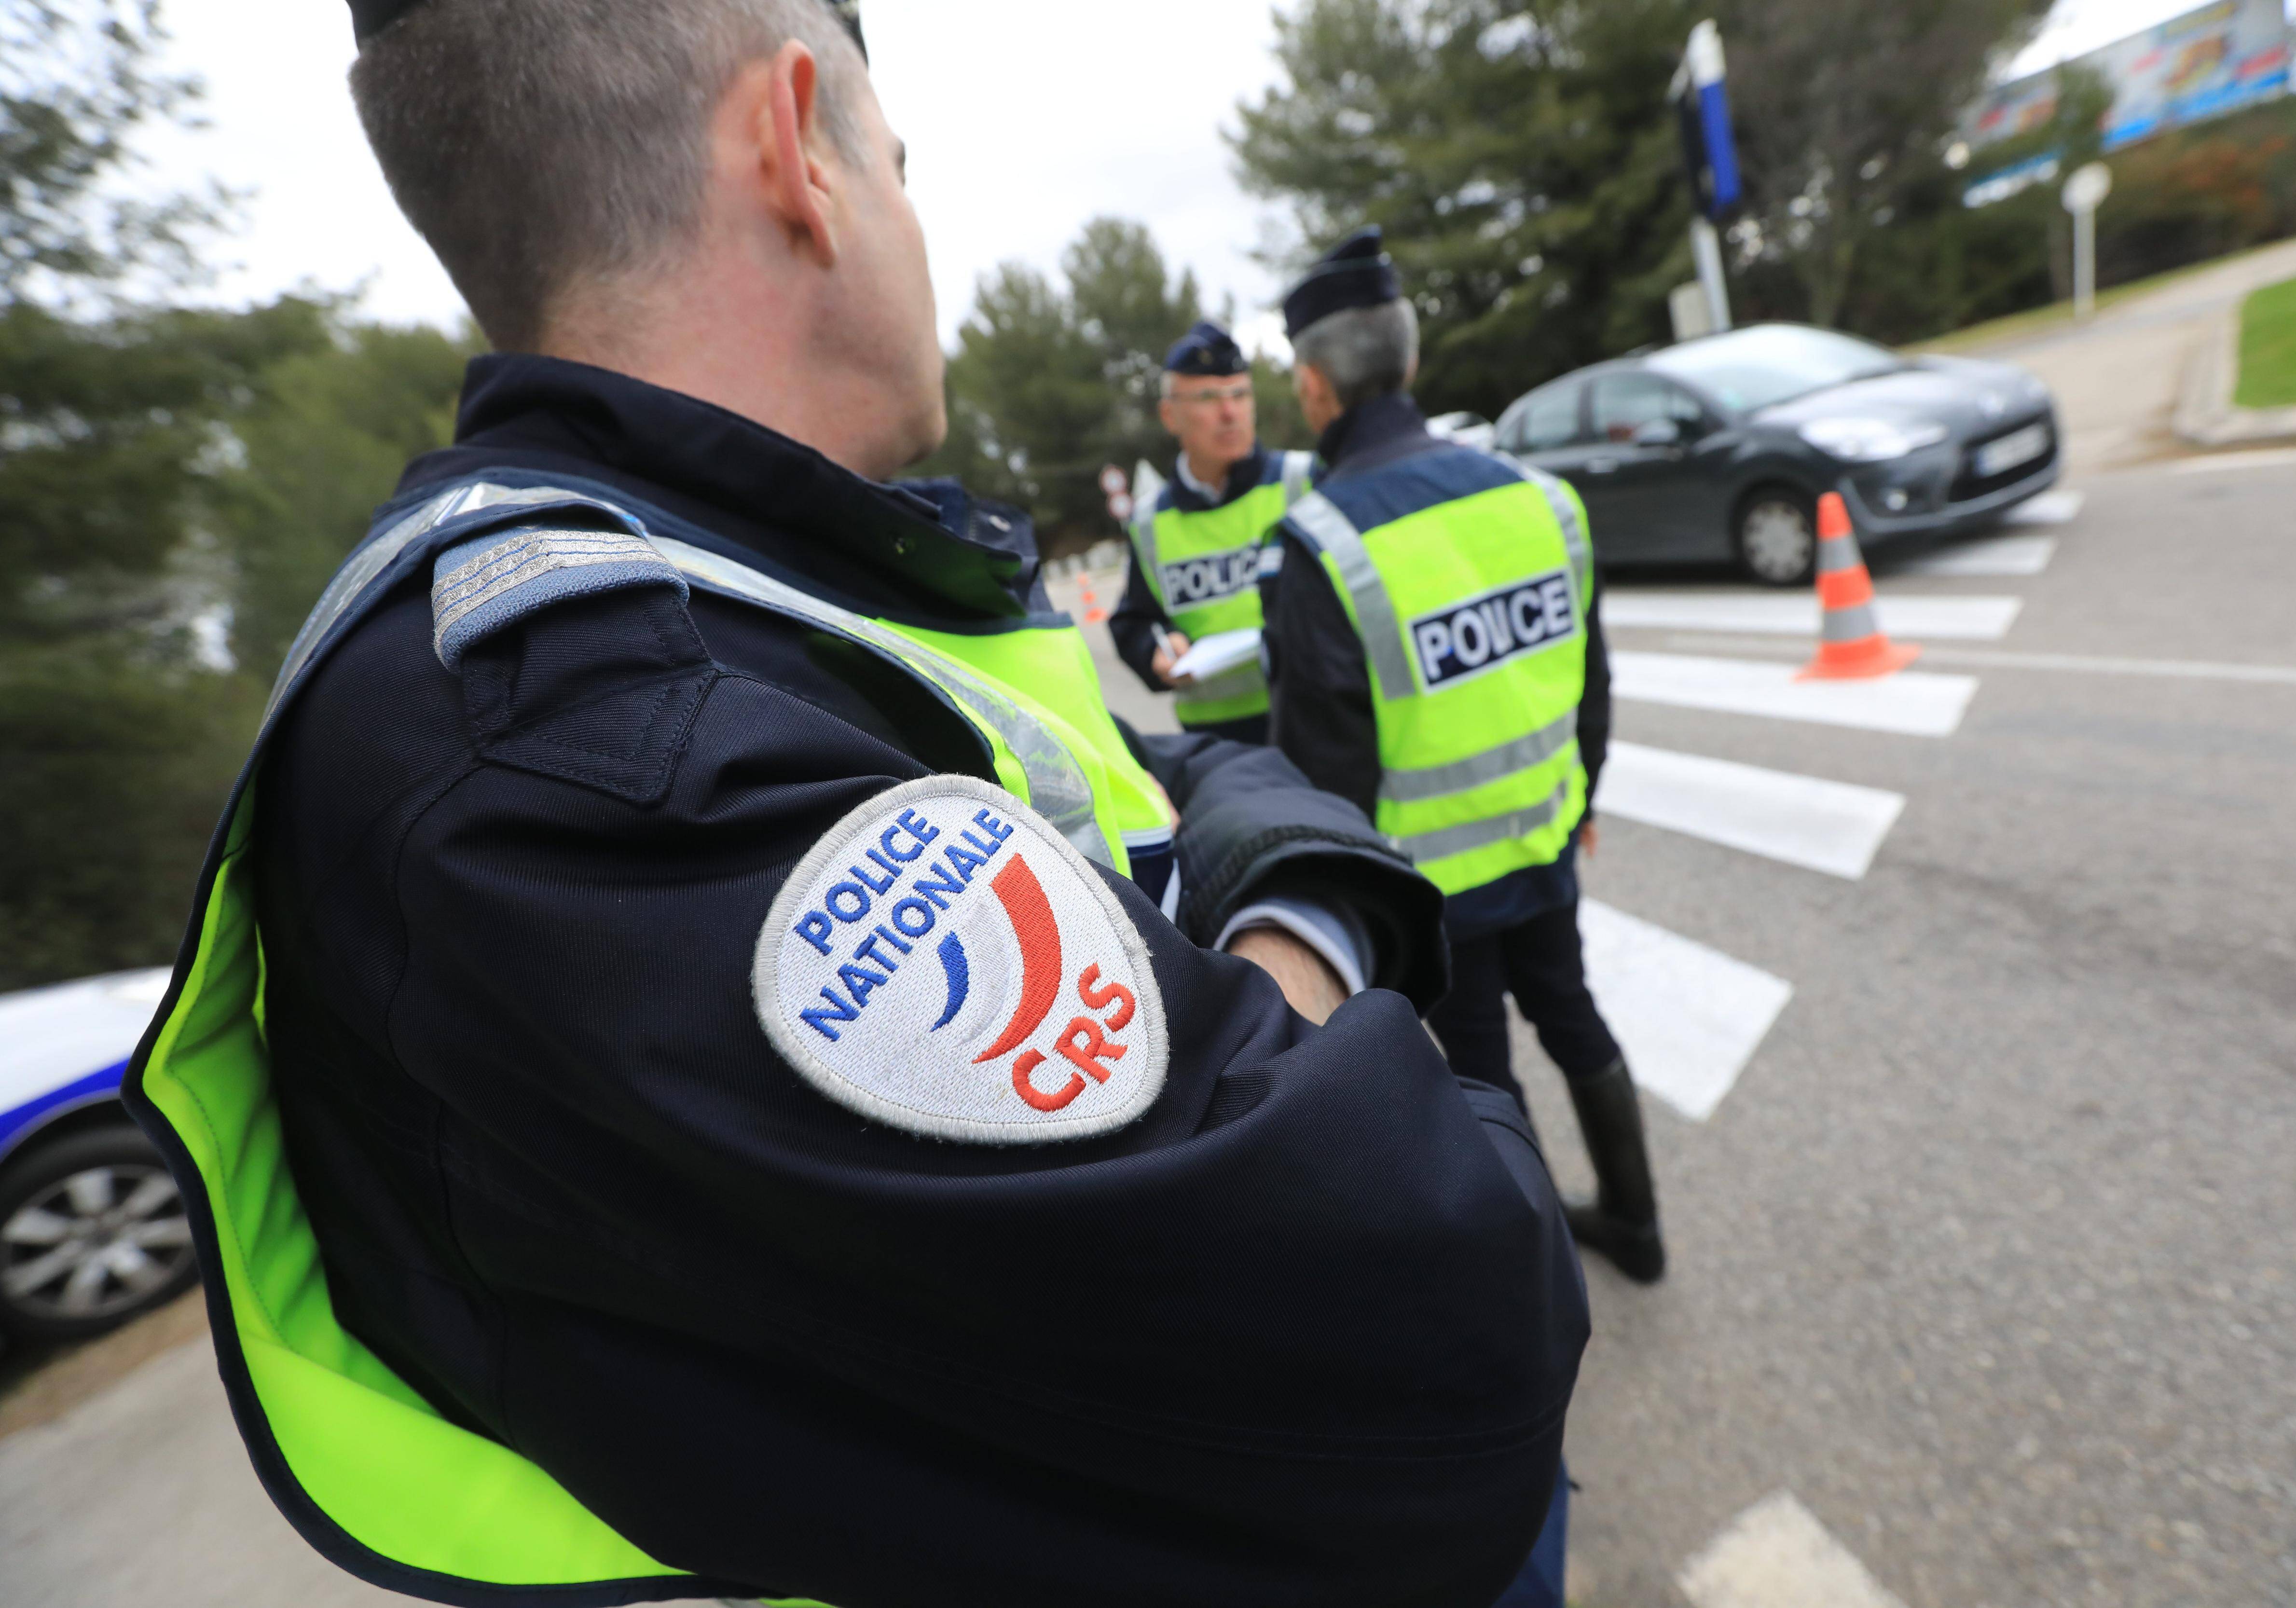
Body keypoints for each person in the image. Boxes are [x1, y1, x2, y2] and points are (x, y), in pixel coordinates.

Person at [118, 7, 1590, 1608]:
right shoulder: (581, 736)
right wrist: (1309, 957)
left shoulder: (758, 580)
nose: (914, 219)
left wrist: (1275, 931)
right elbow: (1454, 1306)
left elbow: (1180, 771)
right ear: (798, 149)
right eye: (899, 162)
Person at [1262, 227, 1666, 1287]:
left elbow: (1326, 776)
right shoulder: (1539, 498)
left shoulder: (1322, 545)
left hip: (1434, 889)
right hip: (1546, 837)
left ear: (1314, 386)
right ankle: (1637, 1224)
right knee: (1573, 1012)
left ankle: (1545, 1285)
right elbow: (1589, 684)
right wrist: (1579, 801)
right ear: (1410, 358)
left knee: (1483, 1071)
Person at [1106, 320, 1314, 744]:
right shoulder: (1149, 521)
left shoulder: (1304, 480)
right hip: (1217, 746)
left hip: (1316, 720)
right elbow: (1135, 620)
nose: (1229, 413)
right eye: (1208, 398)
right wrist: (1156, 650)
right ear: (1170, 415)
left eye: (1240, 394)